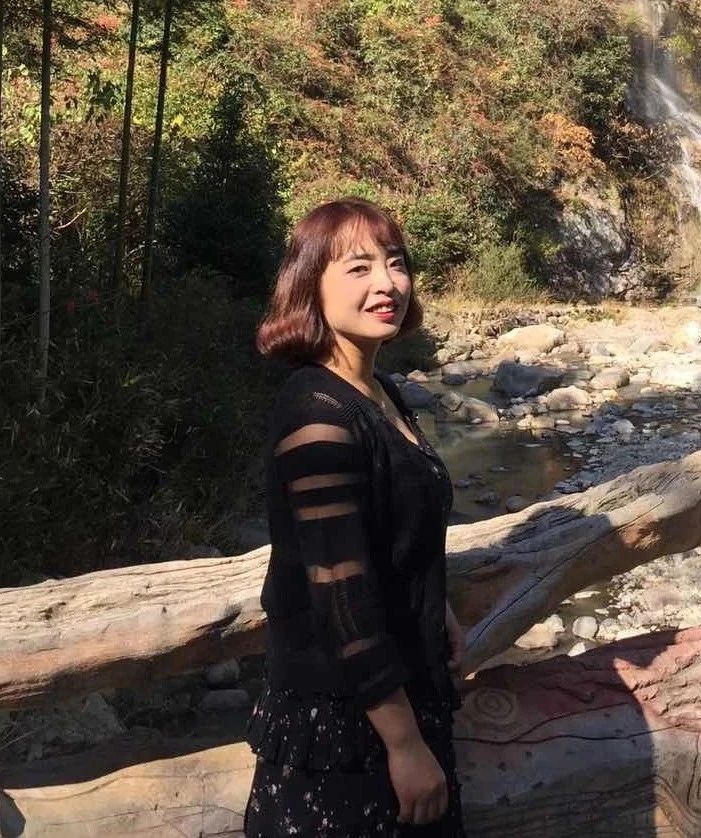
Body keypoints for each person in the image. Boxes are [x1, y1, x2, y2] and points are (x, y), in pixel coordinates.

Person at [244, 197, 467, 837]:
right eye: (358, 268)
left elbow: (395, 528)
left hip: (400, 697)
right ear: (309, 286)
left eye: (395, 263)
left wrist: (438, 608)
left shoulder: (379, 391)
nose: (387, 284)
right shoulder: (316, 414)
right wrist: (404, 744)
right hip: (347, 734)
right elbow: (340, 594)